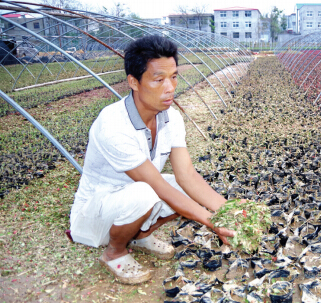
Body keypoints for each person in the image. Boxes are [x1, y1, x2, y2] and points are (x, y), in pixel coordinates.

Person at [69, 35, 235, 284]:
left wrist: (230, 211)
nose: (170, 88)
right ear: (134, 82)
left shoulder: (171, 118)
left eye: (174, 77)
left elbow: (187, 175)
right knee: (149, 193)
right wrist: (213, 223)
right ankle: (115, 252)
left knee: (180, 188)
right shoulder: (113, 125)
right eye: (158, 79)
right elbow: (157, 188)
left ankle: (140, 235)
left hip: (134, 199)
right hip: (95, 214)